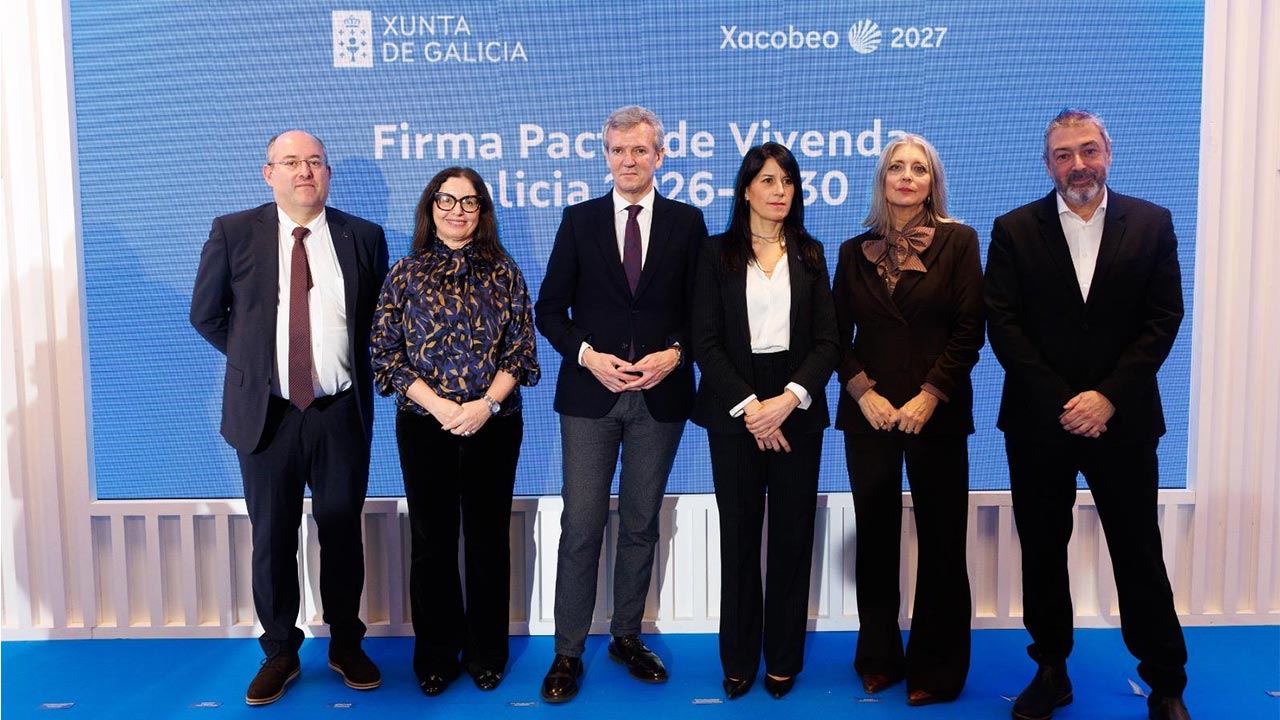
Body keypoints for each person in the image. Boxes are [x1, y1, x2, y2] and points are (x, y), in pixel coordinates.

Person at [985, 109, 1190, 720]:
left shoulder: (1152, 223)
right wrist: (1064, 402)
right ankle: (1051, 671)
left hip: (1123, 422)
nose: (1078, 164)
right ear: (1047, 164)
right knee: (1043, 552)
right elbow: (1004, 325)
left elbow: (1163, 319)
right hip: (1038, 424)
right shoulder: (1013, 229)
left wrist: (1107, 397)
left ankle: (1166, 684)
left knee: (1138, 552)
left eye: (1088, 150)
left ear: (1108, 153)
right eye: (1064, 154)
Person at [190, 130, 388, 705]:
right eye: (292, 162)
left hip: (339, 411)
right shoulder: (234, 232)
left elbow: (377, 321)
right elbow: (206, 314)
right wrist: (257, 364)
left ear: (327, 173)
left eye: (315, 162)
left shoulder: (363, 236)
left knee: (341, 529)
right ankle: (280, 650)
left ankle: (346, 644)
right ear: (268, 172)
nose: (305, 171)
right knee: (273, 535)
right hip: (267, 413)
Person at [534, 105, 707, 703]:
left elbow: (703, 312)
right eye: (617, 150)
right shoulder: (578, 220)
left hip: (661, 398)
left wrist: (676, 354)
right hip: (590, 398)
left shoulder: (688, 223)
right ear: (605, 156)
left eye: (639, 150)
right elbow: (549, 310)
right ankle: (567, 651)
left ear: (659, 155)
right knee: (581, 525)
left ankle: (626, 636)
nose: (628, 160)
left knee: (639, 523)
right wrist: (588, 356)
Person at [370, 167, 539, 697]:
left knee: (488, 541)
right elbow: (385, 355)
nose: (457, 210)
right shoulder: (404, 273)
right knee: (432, 543)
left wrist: (485, 405)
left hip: (494, 425)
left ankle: (487, 653)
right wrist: (441, 406)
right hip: (425, 425)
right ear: (431, 207)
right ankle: (436, 657)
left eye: (469, 202)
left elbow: (521, 353)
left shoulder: (505, 273)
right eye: (447, 200)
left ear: (482, 211)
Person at [831, 134, 984, 707]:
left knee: (942, 541)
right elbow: (833, 336)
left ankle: (937, 670)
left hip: (935, 415)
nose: (907, 176)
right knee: (875, 538)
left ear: (932, 182)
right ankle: (878, 658)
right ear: (882, 179)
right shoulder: (852, 251)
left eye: (919, 169)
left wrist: (930, 395)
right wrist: (863, 393)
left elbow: (970, 329)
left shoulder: (960, 241)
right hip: (868, 416)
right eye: (896, 167)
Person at [691, 143, 839, 700]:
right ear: (746, 189)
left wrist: (789, 399)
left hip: (796, 408)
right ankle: (738, 658)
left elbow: (828, 340)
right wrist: (754, 408)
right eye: (769, 180)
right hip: (735, 411)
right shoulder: (715, 253)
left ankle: (782, 659)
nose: (780, 191)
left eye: (789, 181)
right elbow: (705, 341)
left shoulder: (811, 253)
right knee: (739, 538)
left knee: (792, 539)